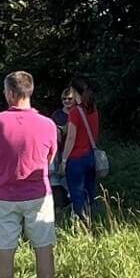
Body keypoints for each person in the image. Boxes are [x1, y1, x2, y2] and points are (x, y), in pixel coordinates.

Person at [0, 70, 60, 278]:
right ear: (30, 91)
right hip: (38, 194)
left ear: (10, 93)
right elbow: (50, 159)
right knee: (44, 249)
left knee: (5, 251)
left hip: (4, 195)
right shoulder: (48, 124)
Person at [59, 77, 102, 221]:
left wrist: (64, 160)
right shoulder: (92, 109)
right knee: (90, 191)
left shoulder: (75, 112)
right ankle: (96, 220)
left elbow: (71, 137)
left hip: (76, 158)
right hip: (90, 155)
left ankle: (82, 222)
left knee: (77, 193)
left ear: (73, 91)